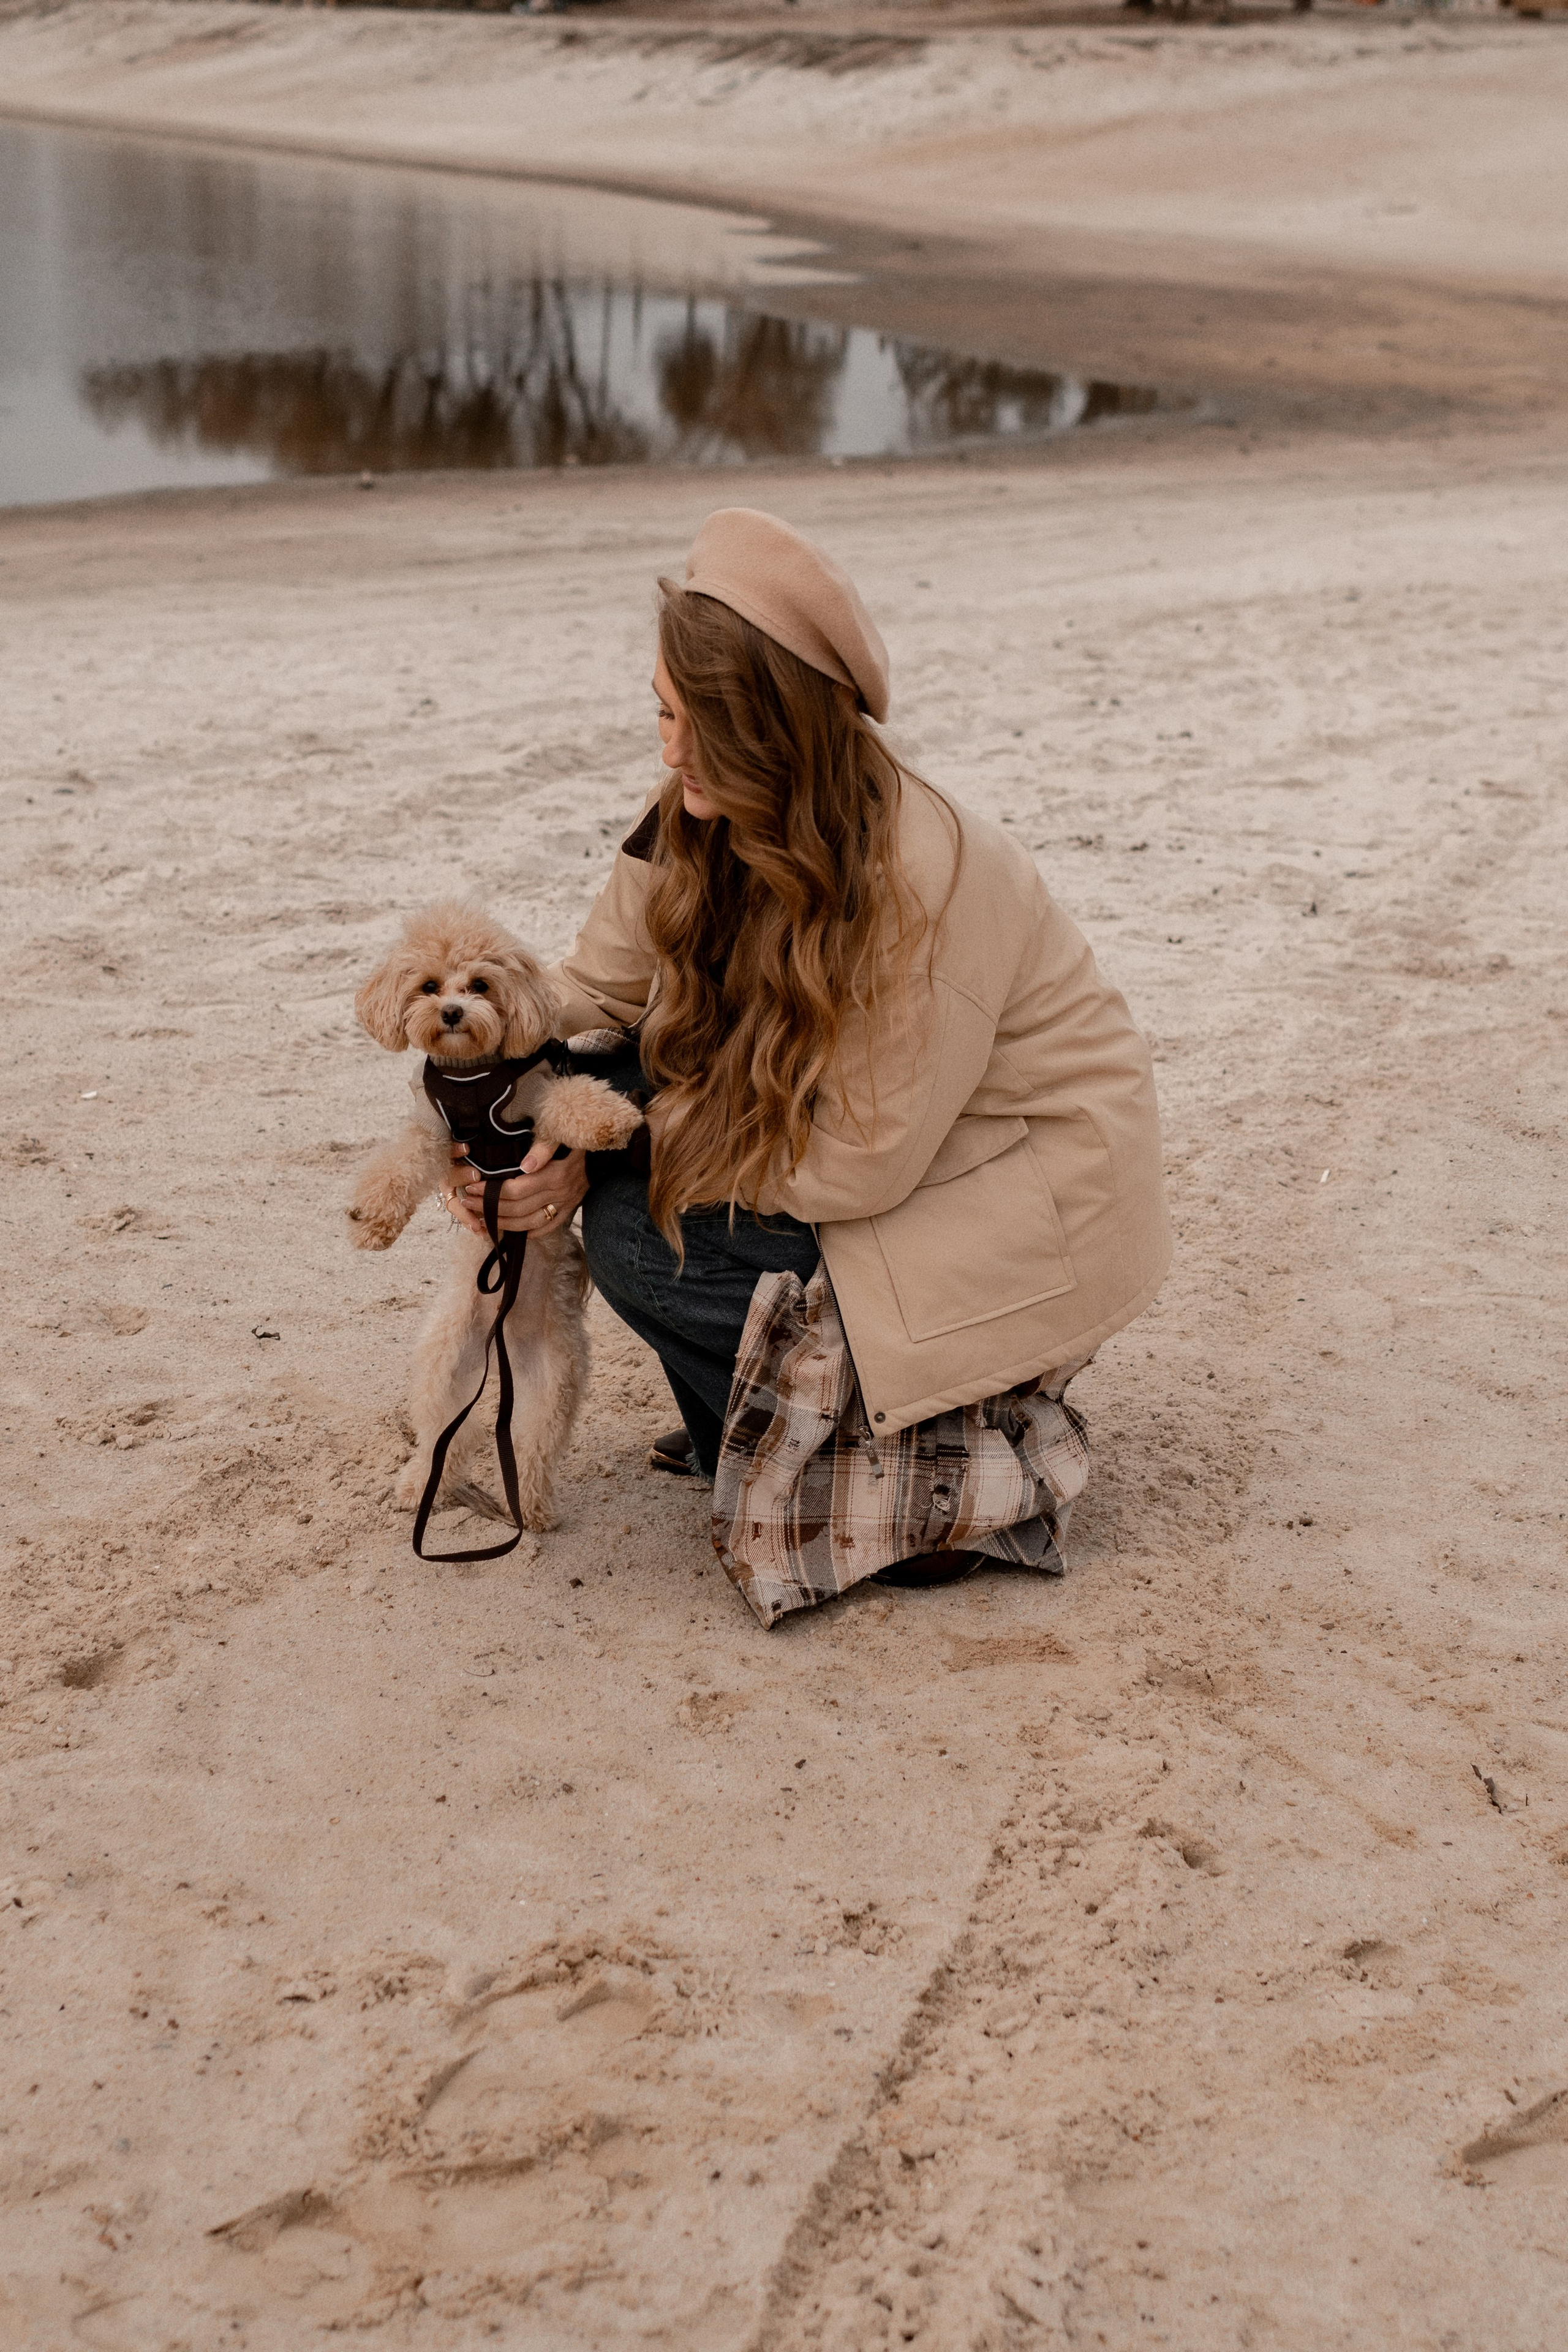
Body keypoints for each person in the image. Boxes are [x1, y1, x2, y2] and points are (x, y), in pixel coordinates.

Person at [450, 508, 1171, 1621]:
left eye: (699, 727)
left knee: (642, 1236)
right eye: (661, 713)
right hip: (878, 1149)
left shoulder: (920, 878)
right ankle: (775, 1429)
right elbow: (596, 995)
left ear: (777, 733)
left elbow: (858, 1167)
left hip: (1011, 1196)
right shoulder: (691, 818)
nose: (669, 749)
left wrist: (604, 1154)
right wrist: (501, 1109)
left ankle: (908, 1447)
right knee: (620, 1129)